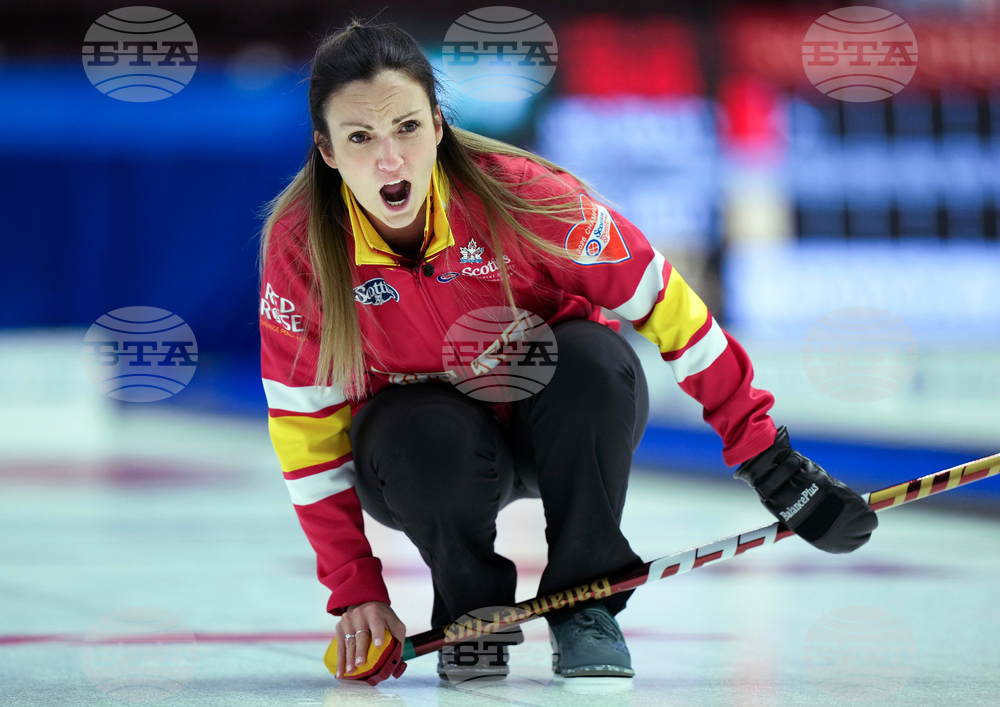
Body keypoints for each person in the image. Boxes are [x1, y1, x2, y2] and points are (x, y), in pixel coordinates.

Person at [257, 18, 878, 683]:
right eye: (360, 137)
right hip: (425, 453)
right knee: (416, 430)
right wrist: (357, 593)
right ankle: (472, 608)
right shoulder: (302, 249)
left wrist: (767, 461)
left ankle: (587, 604)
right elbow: (306, 430)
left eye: (407, 127)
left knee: (593, 362)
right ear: (325, 150)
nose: (389, 159)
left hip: (552, 418)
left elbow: (668, 306)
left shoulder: (522, 195)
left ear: (437, 124)